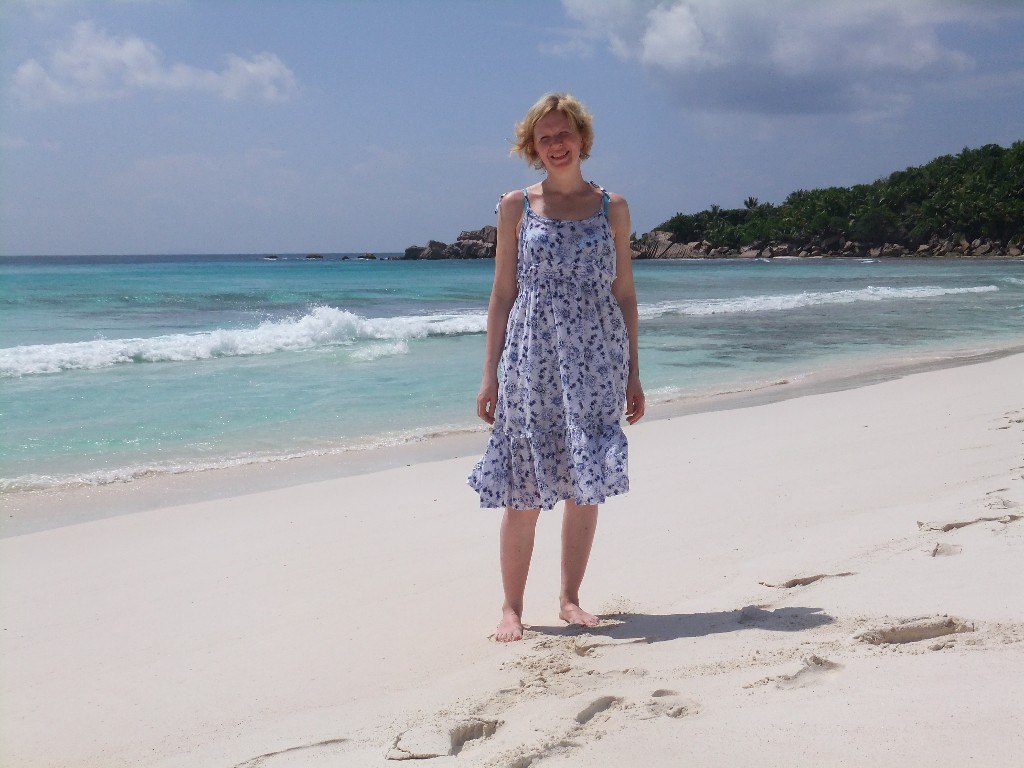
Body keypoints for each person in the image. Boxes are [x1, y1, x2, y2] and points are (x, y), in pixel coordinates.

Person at [467, 92, 645, 643]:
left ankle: (570, 600)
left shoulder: (611, 206)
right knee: (524, 484)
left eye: (564, 133)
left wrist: (634, 372)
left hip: (597, 356)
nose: (556, 144)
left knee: (584, 484)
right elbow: (502, 293)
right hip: (531, 355)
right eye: (545, 137)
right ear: (532, 147)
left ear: (581, 138)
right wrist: (489, 372)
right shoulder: (515, 206)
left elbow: (625, 293)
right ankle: (512, 608)